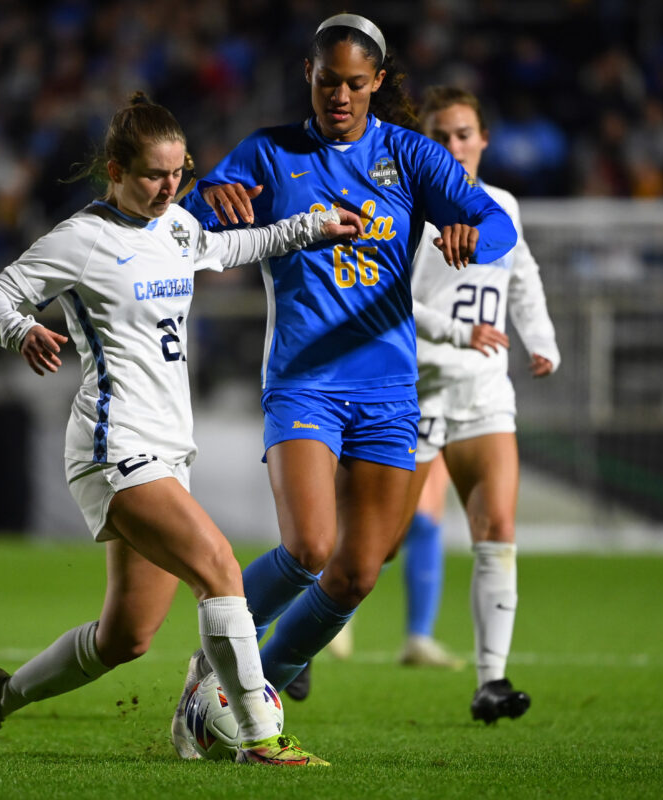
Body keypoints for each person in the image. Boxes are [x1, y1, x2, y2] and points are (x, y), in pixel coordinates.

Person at [0, 92, 366, 766]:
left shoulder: (172, 225)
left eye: (180, 173)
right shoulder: (81, 241)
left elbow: (229, 245)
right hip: (115, 446)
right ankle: (262, 738)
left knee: (127, 638)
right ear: (116, 169)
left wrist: (311, 227)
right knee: (222, 569)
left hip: (168, 450)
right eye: (153, 175)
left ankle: (0, 697)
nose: (170, 188)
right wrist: (21, 328)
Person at [173, 13, 517, 714]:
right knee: (308, 546)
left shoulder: (413, 157)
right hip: (304, 381)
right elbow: (184, 225)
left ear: (377, 83)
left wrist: (468, 232)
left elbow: (500, 225)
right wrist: (206, 197)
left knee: (357, 572)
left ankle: (241, 689)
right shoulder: (269, 155)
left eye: (356, 84)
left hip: (390, 390)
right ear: (309, 75)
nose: (340, 96)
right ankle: (216, 669)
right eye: (328, 81)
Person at [399, 85, 560, 723]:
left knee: (496, 530)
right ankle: (290, 653)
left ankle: (491, 680)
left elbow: (522, 277)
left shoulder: (502, 208)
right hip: (414, 393)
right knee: (373, 548)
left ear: (484, 139)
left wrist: (541, 341)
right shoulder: (406, 213)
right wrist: (457, 335)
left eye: (463, 133)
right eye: (439, 135)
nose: (453, 146)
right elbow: (386, 306)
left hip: (485, 394)